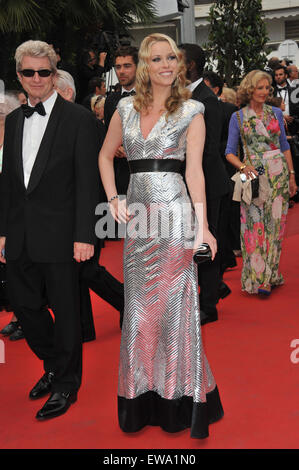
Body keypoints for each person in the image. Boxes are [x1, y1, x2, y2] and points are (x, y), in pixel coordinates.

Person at [99, 33, 224, 439]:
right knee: (138, 310)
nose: (167, 64)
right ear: (144, 65)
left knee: (174, 308)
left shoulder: (192, 110)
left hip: (174, 218)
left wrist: (202, 227)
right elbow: (104, 156)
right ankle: (139, 397)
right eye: (157, 58)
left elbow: (195, 173)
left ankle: (177, 399)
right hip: (138, 220)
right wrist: (112, 197)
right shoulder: (124, 108)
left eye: (172, 57)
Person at [0, 40, 100, 420]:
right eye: (29, 72)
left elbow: (87, 181)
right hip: (21, 233)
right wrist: (3, 231)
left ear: (55, 74)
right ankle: (55, 364)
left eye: (44, 72)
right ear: (19, 76)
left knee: (68, 313)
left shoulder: (78, 119)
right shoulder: (13, 120)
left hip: (63, 235)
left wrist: (85, 236)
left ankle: (65, 384)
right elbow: (10, 182)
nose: (37, 78)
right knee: (25, 309)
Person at [54, 71, 124, 337]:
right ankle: (83, 327)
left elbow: (94, 169)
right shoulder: (58, 122)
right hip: (66, 208)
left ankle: (125, 301)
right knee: (76, 269)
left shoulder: (84, 122)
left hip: (88, 206)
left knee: (85, 267)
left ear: (67, 93)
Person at [226, 70, 297, 295]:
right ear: (250, 89)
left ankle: (269, 276)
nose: (265, 92)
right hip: (252, 171)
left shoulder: (276, 113)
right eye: (260, 88)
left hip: (278, 172)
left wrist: (292, 175)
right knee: (253, 225)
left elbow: (284, 146)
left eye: (267, 88)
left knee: (275, 226)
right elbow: (229, 152)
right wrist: (243, 167)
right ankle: (257, 276)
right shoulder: (238, 117)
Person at [179, 44, 232, 325]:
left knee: (204, 242)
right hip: (188, 182)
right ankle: (216, 288)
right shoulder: (181, 96)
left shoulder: (206, 101)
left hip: (208, 183)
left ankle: (208, 307)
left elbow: (208, 149)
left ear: (192, 65)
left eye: (178, 60)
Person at [0, 92, 25, 341]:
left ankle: (22, 317)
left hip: (11, 211)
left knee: (15, 268)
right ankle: (16, 315)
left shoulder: (16, 138)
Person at [104, 46, 139, 197]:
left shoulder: (152, 96)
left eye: (127, 66)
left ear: (139, 67)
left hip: (145, 171)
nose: (122, 71)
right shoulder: (111, 100)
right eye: (118, 67)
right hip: (119, 174)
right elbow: (107, 134)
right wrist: (115, 148)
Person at [273, 64, 299, 135]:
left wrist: (293, 118)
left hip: (294, 126)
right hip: (276, 127)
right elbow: (268, 109)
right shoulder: (271, 92)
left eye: (280, 74)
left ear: (286, 76)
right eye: (276, 75)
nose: (278, 77)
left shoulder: (295, 90)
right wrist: (282, 116)